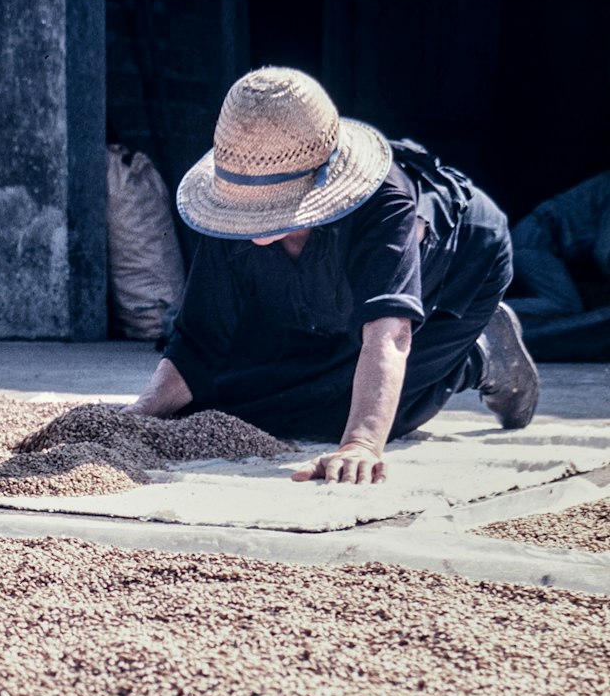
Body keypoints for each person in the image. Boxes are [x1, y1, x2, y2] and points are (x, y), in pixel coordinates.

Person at [130, 67, 540, 484]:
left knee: (347, 413)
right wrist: (137, 414)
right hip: (334, 297)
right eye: (245, 208)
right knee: (226, 398)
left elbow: (389, 336)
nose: (250, 224)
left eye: (267, 206)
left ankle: (478, 355)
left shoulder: (386, 204)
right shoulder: (234, 199)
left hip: (459, 268)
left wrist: (360, 444)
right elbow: (199, 341)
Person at [507, 171, 610, 362]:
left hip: (537, 241)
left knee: (565, 309)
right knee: (565, 305)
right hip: (534, 240)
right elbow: (605, 252)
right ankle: (490, 312)